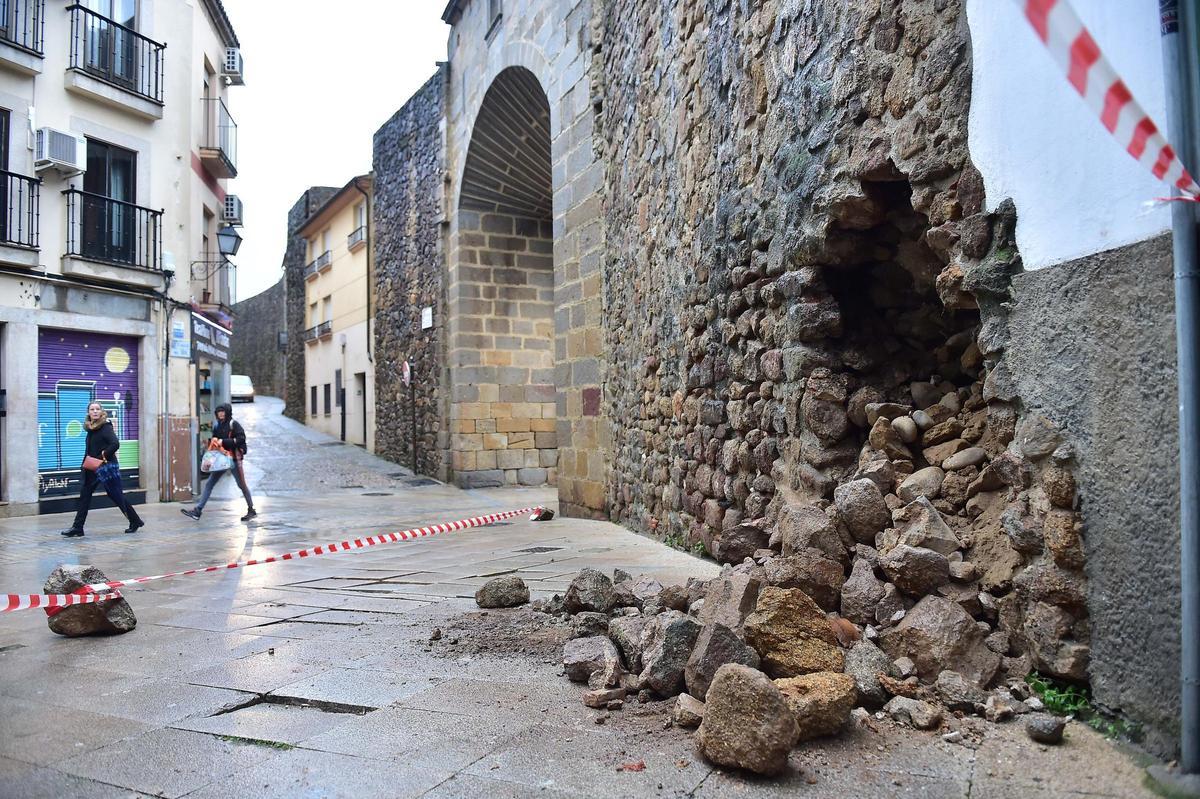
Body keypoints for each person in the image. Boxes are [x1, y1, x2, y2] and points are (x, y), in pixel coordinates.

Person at [60, 402, 144, 537]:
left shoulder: (105, 427)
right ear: (88, 412)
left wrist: (102, 456)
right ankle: (78, 527)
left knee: (116, 495)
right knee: (85, 495)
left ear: (101, 412)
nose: (95, 411)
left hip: (107, 468)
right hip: (92, 467)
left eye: (97, 409)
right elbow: (90, 449)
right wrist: (85, 464)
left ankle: (135, 521)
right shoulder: (90, 428)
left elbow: (115, 444)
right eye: (92, 409)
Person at [181, 403, 256, 521]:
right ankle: (198, 511)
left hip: (234, 460)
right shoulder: (217, 426)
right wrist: (213, 445)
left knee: (241, 485)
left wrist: (223, 441)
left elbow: (241, 439)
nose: (221, 414)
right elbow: (215, 440)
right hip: (221, 460)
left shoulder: (234, 424)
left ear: (227, 412)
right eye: (218, 412)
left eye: (223, 411)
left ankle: (251, 509)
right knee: (209, 484)